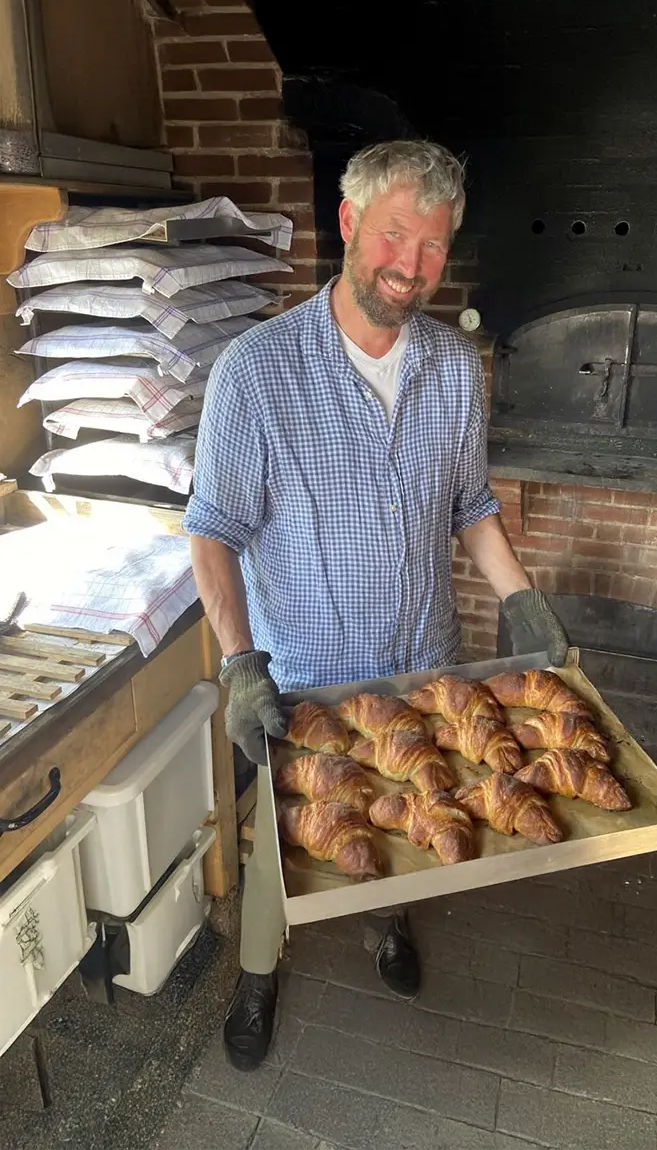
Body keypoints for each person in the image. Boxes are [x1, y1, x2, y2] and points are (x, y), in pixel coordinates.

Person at [184, 139, 568, 1071]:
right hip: (305, 678)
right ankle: (261, 972)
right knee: (288, 849)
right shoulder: (257, 372)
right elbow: (212, 530)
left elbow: (470, 505)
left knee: (405, 806)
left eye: (434, 246)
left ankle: (387, 920)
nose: (412, 266)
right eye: (397, 234)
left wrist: (521, 602)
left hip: (424, 661)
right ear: (352, 224)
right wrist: (240, 662)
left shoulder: (454, 367)